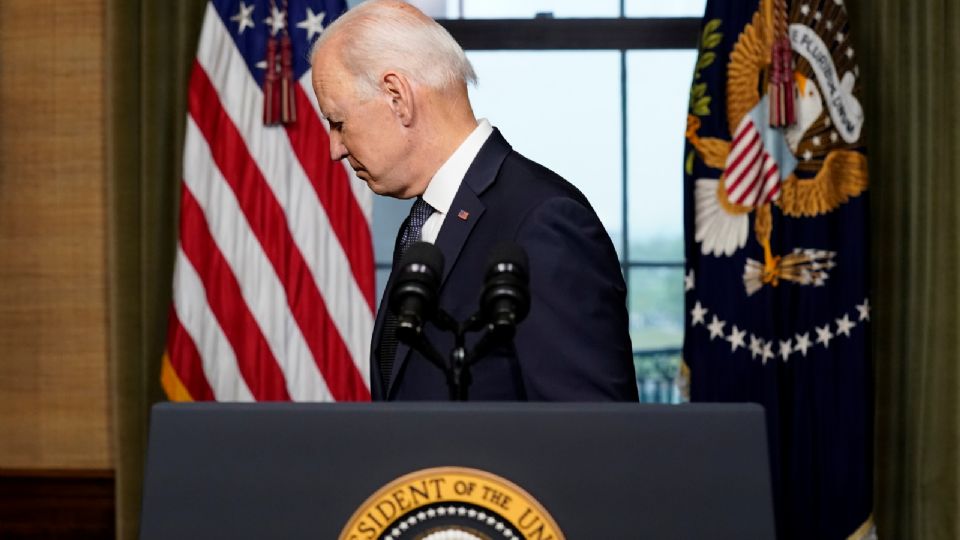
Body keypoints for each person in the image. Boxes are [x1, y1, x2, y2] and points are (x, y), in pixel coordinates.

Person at [310, 0, 638, 401]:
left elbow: (593, 436)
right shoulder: (420, 224)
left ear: (398, 97)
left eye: (338, 122)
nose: (335, 149)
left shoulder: (544, 221)